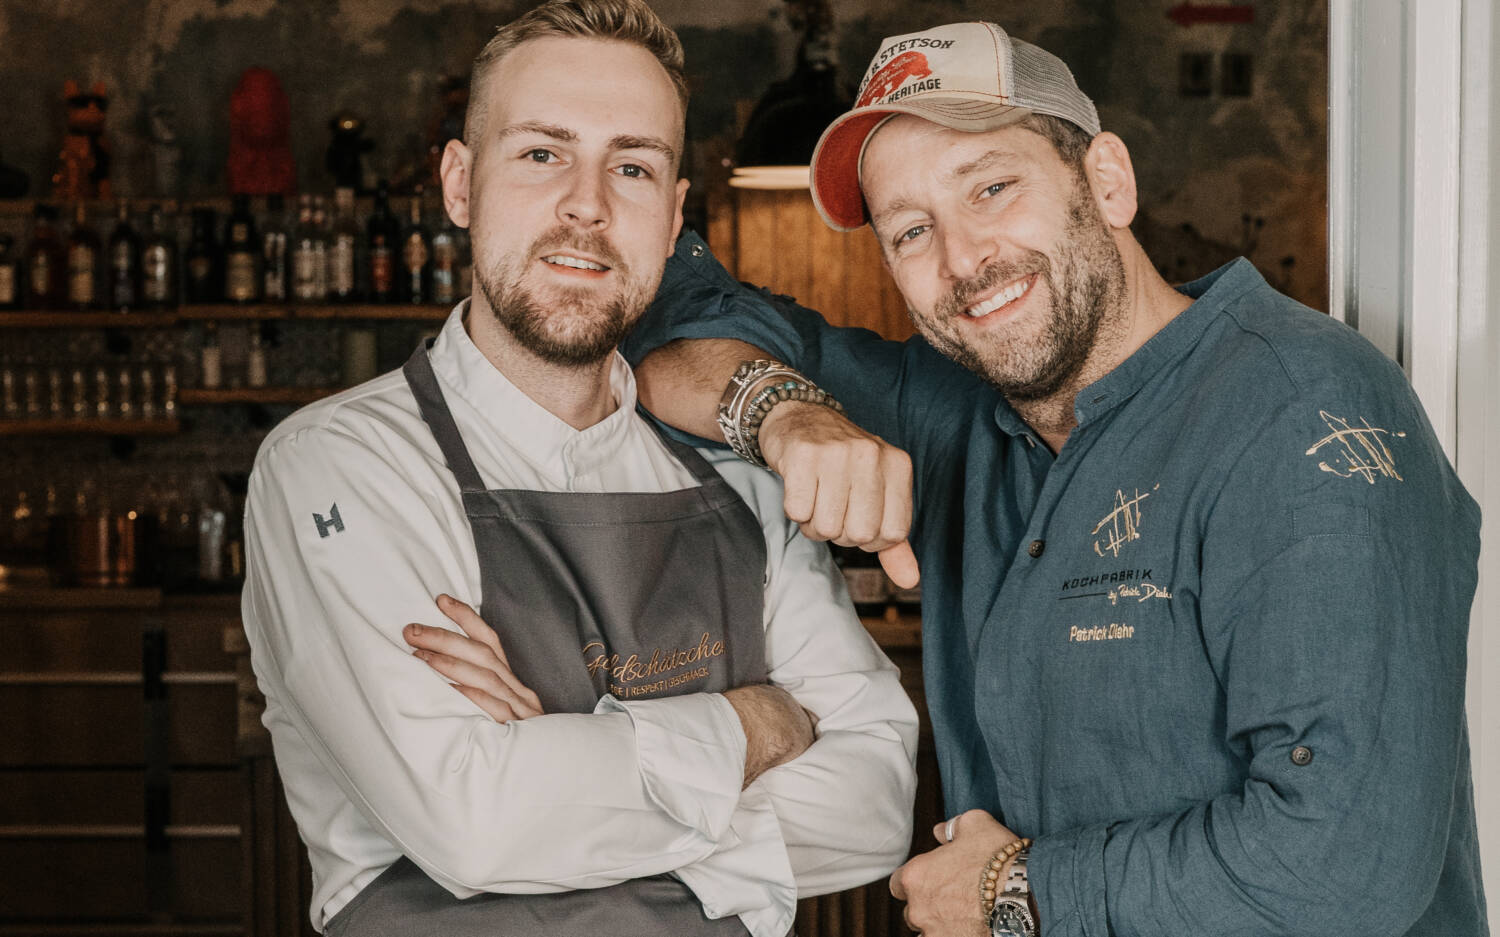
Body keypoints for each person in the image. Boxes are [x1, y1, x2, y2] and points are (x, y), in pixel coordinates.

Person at [626, 20, 1485, 937]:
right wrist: (785, 415)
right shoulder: (957, 408)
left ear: (1106, 181)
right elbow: (668, 309)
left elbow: (1346, 864)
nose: (963, 259)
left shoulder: (1303, 408)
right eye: (911, 230)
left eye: (993, 186)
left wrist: (1013, 892)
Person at [239, 3, 918, 935]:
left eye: (632, 165)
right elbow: (475, 825)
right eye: (542, 154)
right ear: (460, 183)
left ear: (675, 213)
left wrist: (562, 777)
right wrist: (757, 724)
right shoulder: (340, 467)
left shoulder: (746, 484)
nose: (588, 205)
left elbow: (876, 805)